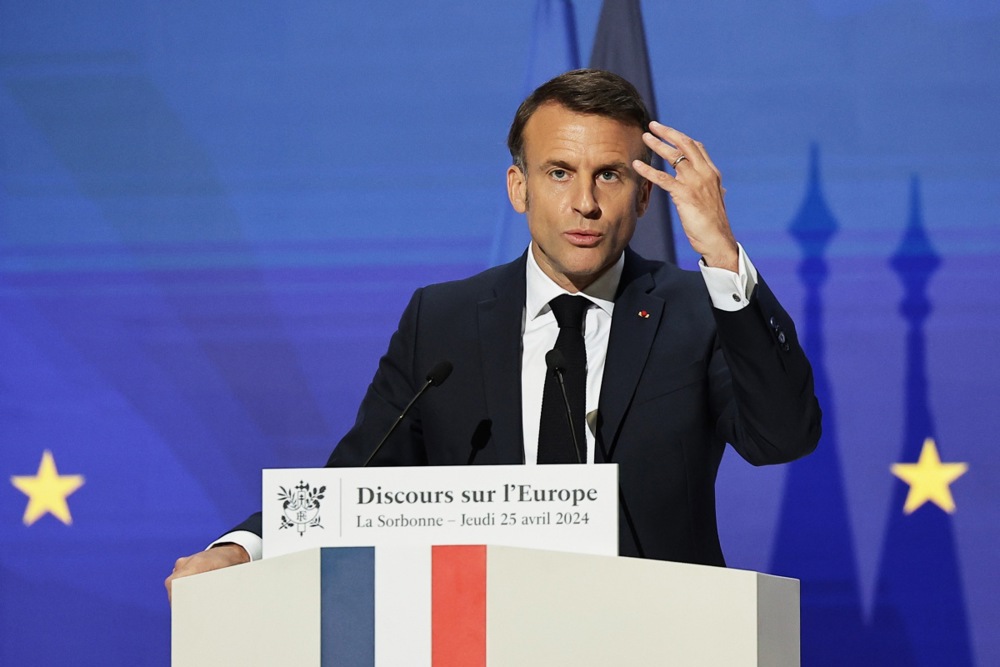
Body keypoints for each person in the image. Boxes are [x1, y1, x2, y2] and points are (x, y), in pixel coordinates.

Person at [165, 69, 821, 601]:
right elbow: (356, 483)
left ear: (645, 196)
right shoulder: (442, 321)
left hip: (662, 636)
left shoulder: (699, 309)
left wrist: (722, 256)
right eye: (559, 172)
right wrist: (241, 549)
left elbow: (782, 436)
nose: (585, 203)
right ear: (518, 186)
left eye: (610, 174)